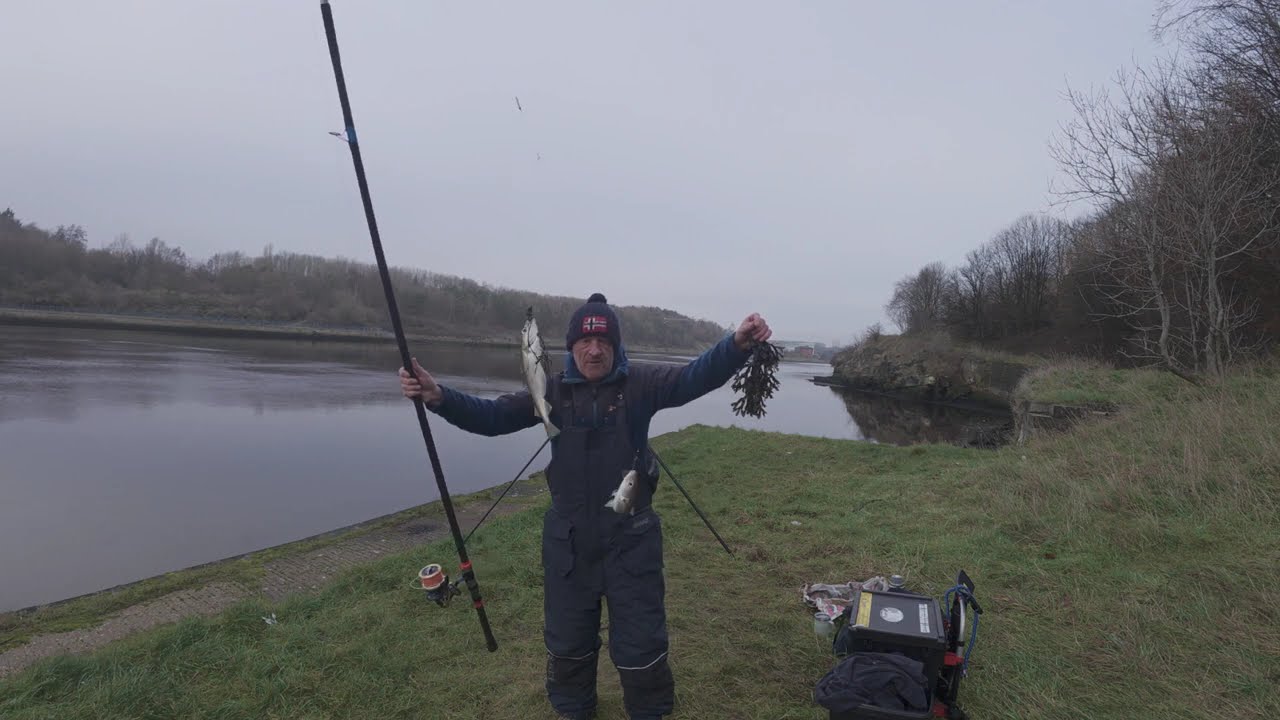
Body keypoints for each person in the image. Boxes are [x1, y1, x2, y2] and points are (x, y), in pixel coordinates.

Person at [398, 292, 771, 720]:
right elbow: (493, 416)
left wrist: (735, 345)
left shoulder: (642, 384)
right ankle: (575, 710)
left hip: (632, 541)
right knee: (568, 643)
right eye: (585, 342)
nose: (595, 350)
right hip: (569, 544)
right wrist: (438, 396)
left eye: (604, 342)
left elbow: (693, 377)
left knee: (642, 643)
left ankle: (648, 711)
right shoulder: (550, 390)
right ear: (572, 347)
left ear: (616, 346)